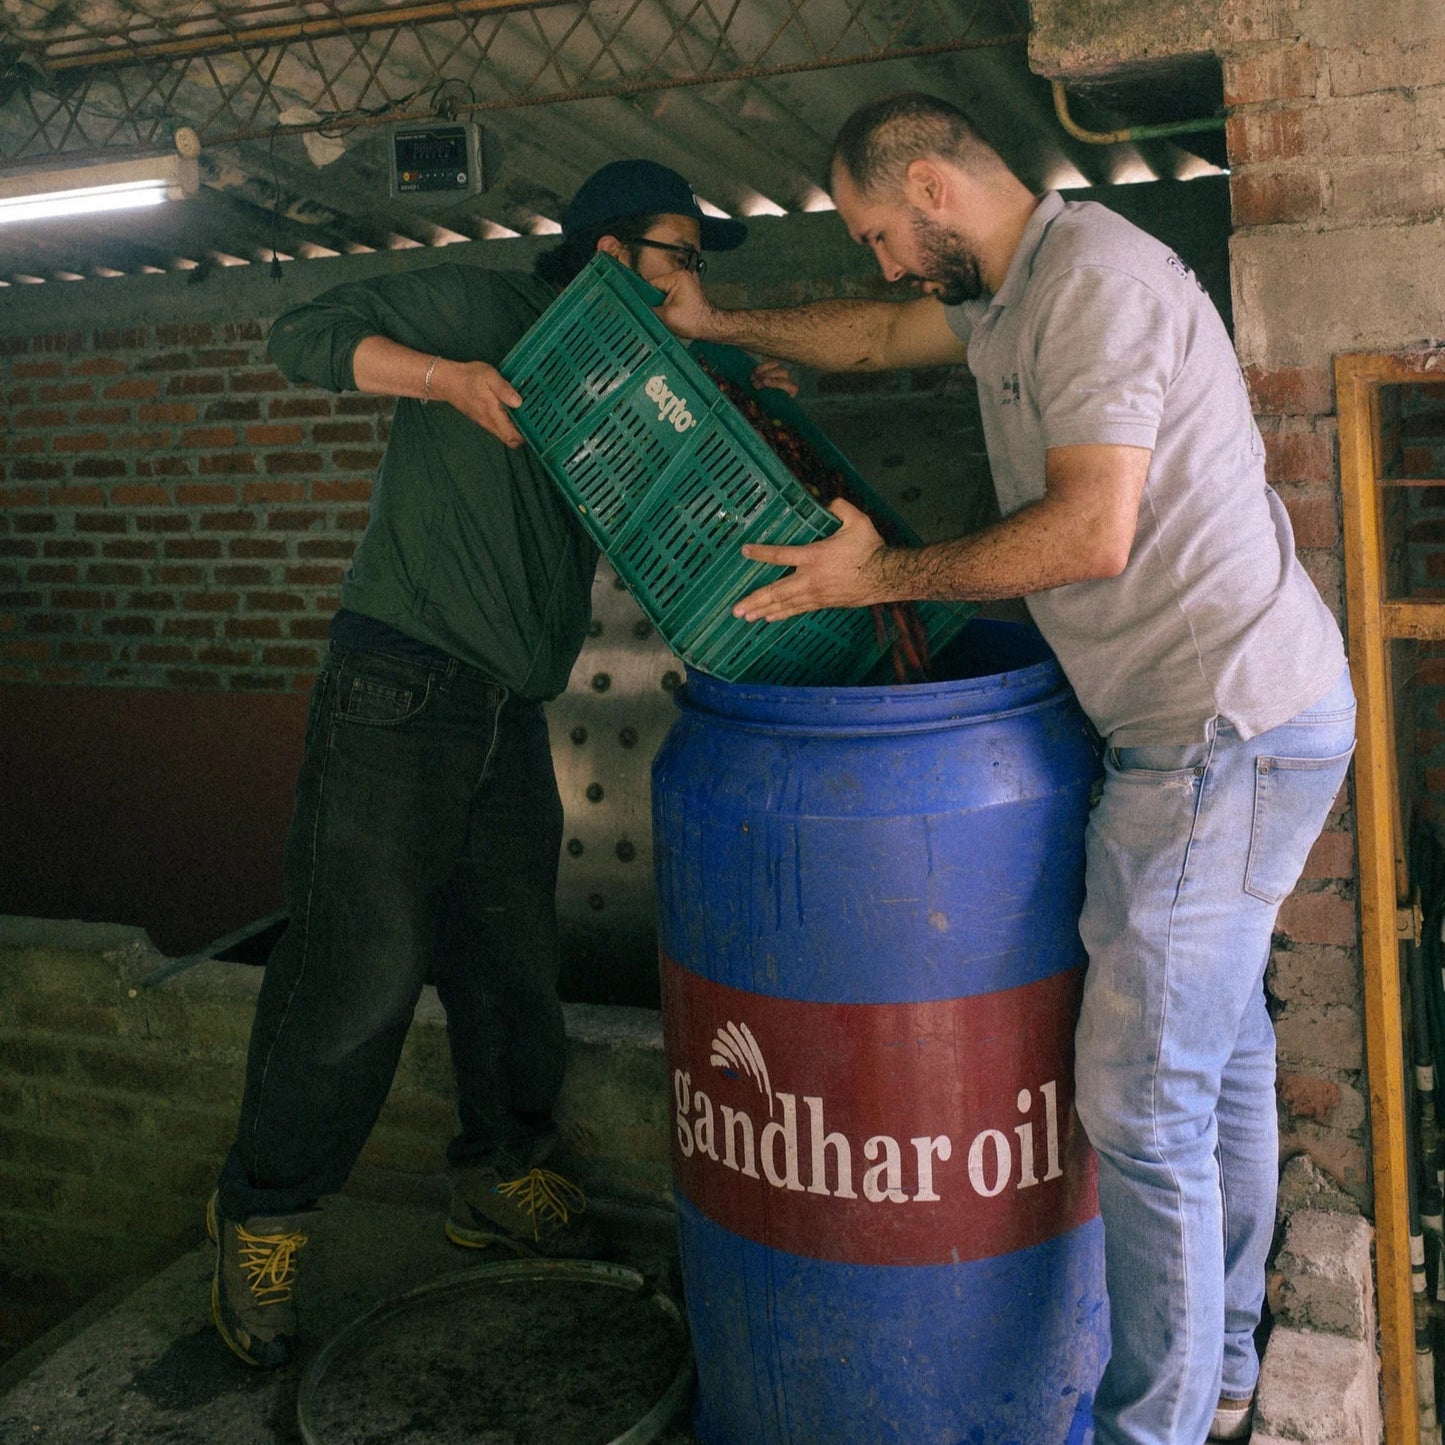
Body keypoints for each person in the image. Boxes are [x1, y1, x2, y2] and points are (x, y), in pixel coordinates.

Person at [652, 93, 1355, 1445]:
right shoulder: (1014, 287)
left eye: (875, 233)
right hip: (1231, 718)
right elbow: (878, 334)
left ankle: (1149, 1426)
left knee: (1142, 1102)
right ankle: (1214, 1374)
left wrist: (881, 577)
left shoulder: (1091, 284)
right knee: (1219, 1058)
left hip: (1217, 728)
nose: (880, 265)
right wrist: (723, 324)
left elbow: (1091, 530)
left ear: (930, 184)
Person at [207, 158, 790, 1370]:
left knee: (512, 962)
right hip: (396, 685)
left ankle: (497, 1171)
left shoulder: (635, 377)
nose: (692, 276)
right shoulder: (486, 313)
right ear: (610, 254)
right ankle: (264, 1212)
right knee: (355, 968)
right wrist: (442, 382)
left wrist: (749, 377)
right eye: (680, 253)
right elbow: (300, 331)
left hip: (506, 709)